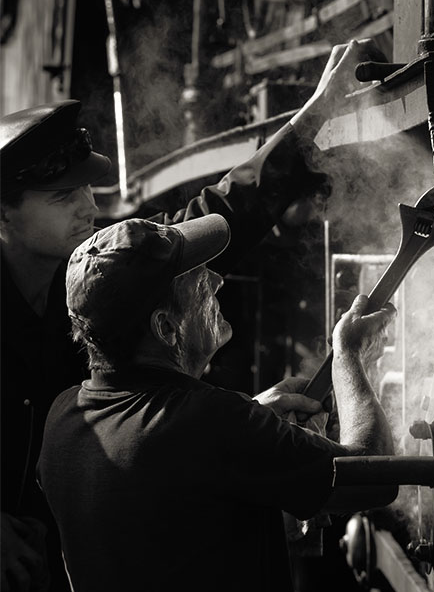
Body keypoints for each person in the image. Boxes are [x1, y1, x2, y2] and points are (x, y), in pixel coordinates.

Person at [0, 38, 386, 591]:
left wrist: (315, 115)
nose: (89, 206)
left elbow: (222, 214)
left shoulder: (93, 278)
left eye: (87, 186)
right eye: (62, 196)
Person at [37, 214, 397, 592]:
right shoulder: (212, 423)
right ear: (166, 327)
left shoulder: (63, 416)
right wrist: (349, 356)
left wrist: (253, 423)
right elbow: (375, 479)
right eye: (196, 278)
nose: (217, 280)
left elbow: (165, 504)